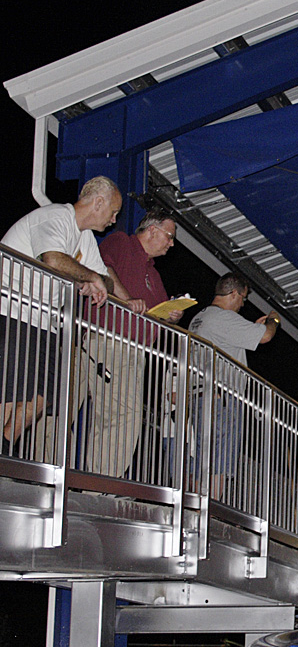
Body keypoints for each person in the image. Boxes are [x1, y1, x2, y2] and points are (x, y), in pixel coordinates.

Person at [1, 176, 139, 444]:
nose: (113, 220)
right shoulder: (54, 216)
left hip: (42, 321)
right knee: (14, 390)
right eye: (113, 212)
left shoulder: (84, 237)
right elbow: (52, 258)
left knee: (45, 394)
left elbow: (105, 279)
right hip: (12, 309)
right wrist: (89, 277)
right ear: (98, 202)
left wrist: (91, 280)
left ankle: (4, 444)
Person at [88, 209, 183, 477]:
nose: (171, 243)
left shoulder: (153, 273)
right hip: (110, 340)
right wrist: (127, 298)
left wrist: (174, 314)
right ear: (151, 230)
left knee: (116, 417)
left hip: (133, 351)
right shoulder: (121, 242)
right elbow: (102, 266)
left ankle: (95, 482)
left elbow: (161, 312)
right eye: (169, 236)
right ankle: (102, 486)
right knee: (124, 417)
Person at [188, 272, 280, 495]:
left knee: (203, 458)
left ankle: (197, 508)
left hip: (200, 396)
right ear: (235, 293)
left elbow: (231, 338)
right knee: (221, 459)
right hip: (222, 398)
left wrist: (249, 327)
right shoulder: (224, 318)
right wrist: (273, 320)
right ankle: (212, 510)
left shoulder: (200, 317)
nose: (242, 304)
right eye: (243, 298)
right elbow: (266, 336)